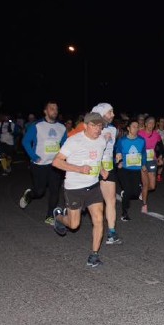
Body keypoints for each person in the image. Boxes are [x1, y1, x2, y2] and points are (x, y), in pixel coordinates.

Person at [51, 111, 109, 267]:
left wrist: (102, 169)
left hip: (93, 186)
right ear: (85, 126)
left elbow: (98, 158)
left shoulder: (102, 140)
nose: (98, 129)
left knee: (98, 219)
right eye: (94, 125)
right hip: (74, 188)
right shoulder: (73, 141)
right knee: (74, 225)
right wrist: (78, 169)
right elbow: (56, 162)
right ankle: (59, 217)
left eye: (100, 126)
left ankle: (94, 255)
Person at [19, 101, 68, 226]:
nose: (54, 111)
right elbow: (25, 141)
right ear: (45, 111)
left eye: (56, 109)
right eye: (51, 108)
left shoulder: (62, 127)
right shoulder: (37, 125)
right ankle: (29, 194)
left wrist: (64, 159)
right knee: (40, 191)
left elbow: (65, 145)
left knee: (55, 190)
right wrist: (34, 156)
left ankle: (50, 216)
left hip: (55, 165)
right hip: (39, 165)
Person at [89, 104, 120, 245]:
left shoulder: (113, 129)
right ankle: (70, 210)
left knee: (111, 200)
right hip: (92, 168)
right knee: (89, 201)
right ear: (101, 114)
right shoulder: (91, 129)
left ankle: (111, 232)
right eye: (110, 112)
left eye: (112, 112)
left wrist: (117, 156)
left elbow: (111, 148)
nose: (113, 114)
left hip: (108, 168)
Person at [116, 118, 146, 223]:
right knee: (128, 190)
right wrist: (118, 162)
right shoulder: (122, 141)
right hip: (124, 169)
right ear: (128, 128)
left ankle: (127, 192)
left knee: (135, 192)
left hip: (136, 169)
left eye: (137, 127)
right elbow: (117, 152)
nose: (136, 128)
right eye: (133, 126)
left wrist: (143, 164)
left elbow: (143, 153)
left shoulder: (141, 140)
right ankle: (124, 213)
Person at [139, 116, 164, 214]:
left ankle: (142, 192)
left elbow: (161, 147)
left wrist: (160, 157)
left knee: (152, 186)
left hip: (152, 161)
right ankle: (144, 205)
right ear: (145, 124)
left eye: (153, 123)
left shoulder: (156, 134)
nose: (151, 125)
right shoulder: (140, 134)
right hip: (142, 160)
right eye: (149, 123)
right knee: (145, 184)